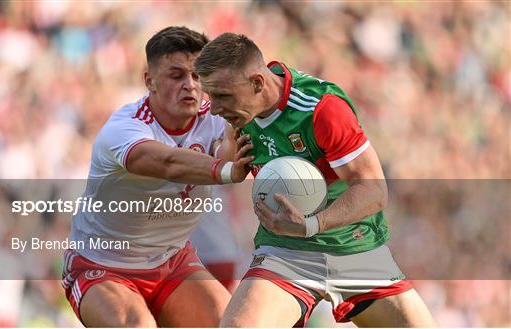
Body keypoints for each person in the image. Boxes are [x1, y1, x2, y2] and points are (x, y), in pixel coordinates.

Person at [195, 33, 437, 327]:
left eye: (222, 96)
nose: (216, 107)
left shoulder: (321, 109)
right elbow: (228, 156)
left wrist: (312, 224)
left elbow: (373, 189)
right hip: (286, 252)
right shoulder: (240, 110)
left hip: (354, 247)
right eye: (211, 96)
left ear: (258, 83)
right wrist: (231, 163)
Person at [62, 27, 253, 327]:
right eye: (176, 76)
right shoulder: (124, 129)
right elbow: (167, 163)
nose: (189, 85)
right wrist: (225, 171)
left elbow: (229, 155)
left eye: (197, 75)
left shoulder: (214, 114)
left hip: (171, 260)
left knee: (233, 323)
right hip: (103, 266)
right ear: (149, 80)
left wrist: (235, 127)